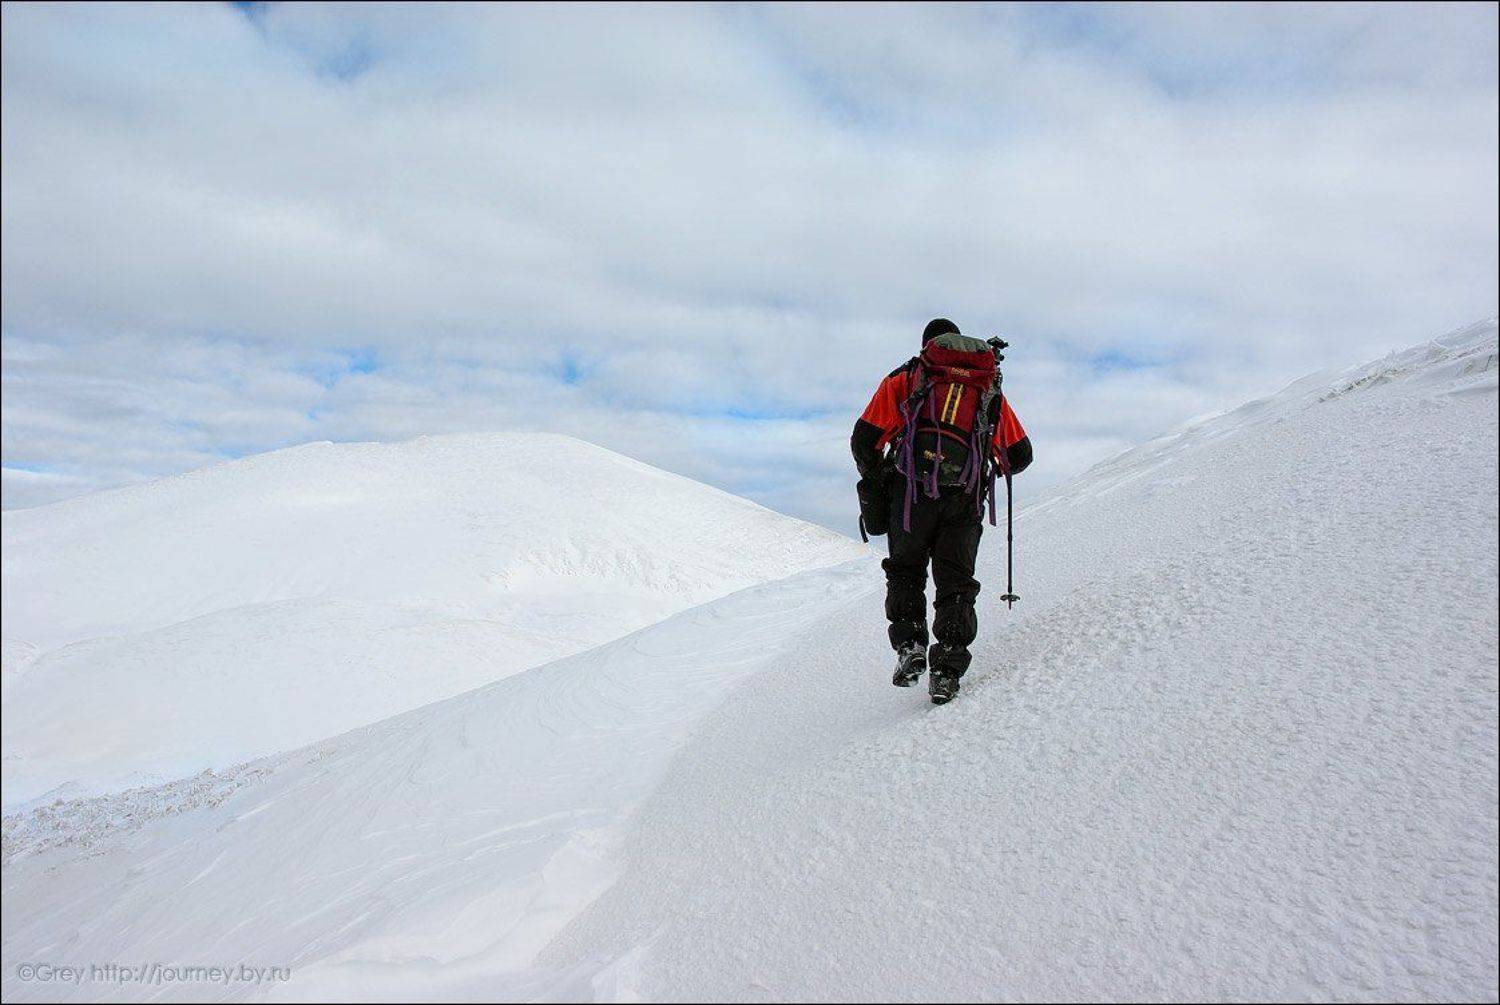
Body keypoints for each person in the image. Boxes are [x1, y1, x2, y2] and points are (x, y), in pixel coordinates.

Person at [850, 318, 1033, 704]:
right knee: (956, 582)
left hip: (911, 497)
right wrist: (979, 466)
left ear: (926, 346)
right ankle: (947, 671)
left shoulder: (907, 379)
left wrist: (881, 478)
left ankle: (911, 646)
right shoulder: (986, 386)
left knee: (906, 571)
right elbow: (1020, 455)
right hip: (964, 500)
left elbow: (864, 440)